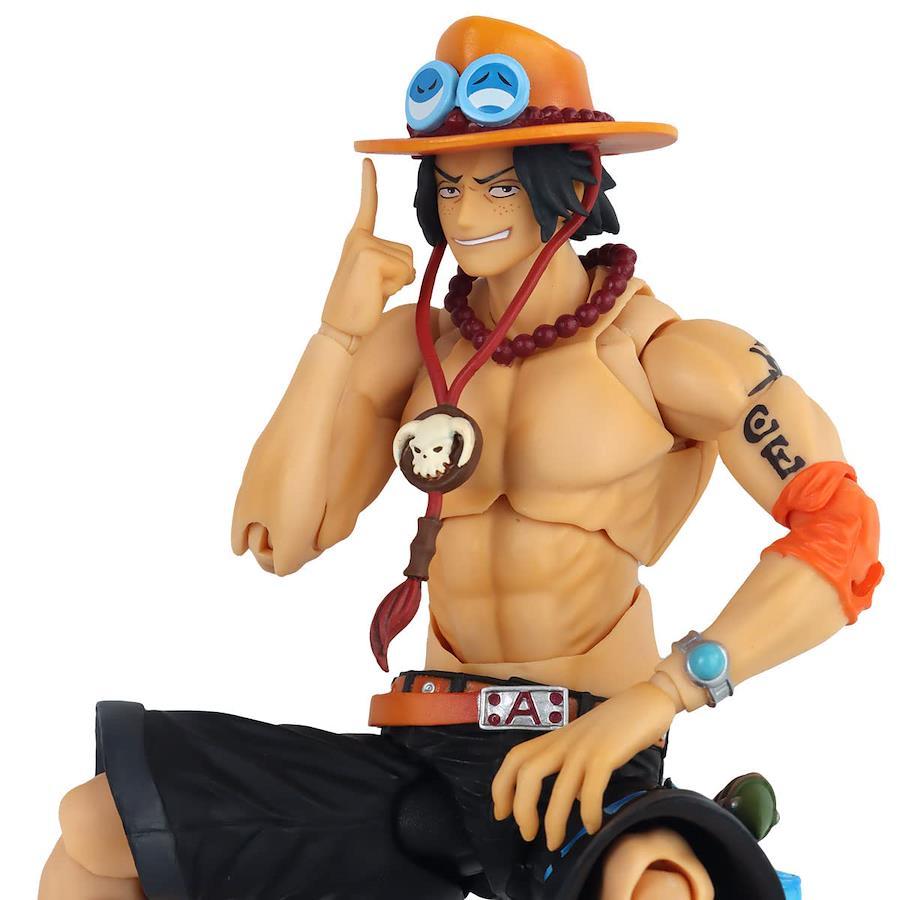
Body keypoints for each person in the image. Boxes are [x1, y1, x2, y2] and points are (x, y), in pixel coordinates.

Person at [39, 16, 881, 900]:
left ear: (572, 185)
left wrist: (665, 694)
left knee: (657, 886)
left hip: (587, 749)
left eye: (498, 185)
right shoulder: (416, 351)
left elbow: (843, 534)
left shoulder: (666, 355)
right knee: (100, 827)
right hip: (427, 748)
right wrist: (335, 333)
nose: (467, 214)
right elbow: (278, 537)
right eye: (448, 186)